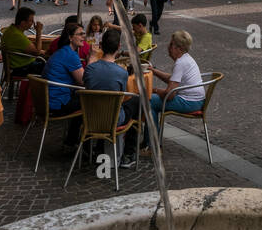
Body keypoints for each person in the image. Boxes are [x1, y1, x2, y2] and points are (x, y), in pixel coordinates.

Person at [83, 28, 140, 167]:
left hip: (91, 117)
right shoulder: (121, 72)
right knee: (137, 102)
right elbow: (122, 98)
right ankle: (128, 152)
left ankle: (97, 148)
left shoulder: (90, 69)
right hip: (113, 118)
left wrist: (91, 56)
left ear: (101, 45)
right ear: (118, 47)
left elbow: (86, 83)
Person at [144, 31, 205, 150]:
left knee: (149, 101)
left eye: (171, 45)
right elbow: (173, 80)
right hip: (197, 100)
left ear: (179, 48)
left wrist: (153, 90)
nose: (168, 47)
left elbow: (170, 95)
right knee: (151, 99)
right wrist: (153, 71)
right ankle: (150, 142)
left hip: (190, 103)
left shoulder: (181, 63)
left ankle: (152, 146)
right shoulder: (186, 59)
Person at [43, 23, 86, 142]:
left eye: (84, 34)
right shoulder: (70, 54)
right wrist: (92, 58)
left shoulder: (63, 51)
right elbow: (84, 81)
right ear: (70, 37)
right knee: (91, 101)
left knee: (83, 96)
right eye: (80, 34)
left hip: (46, 100)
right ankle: (80, 142)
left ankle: (72, 141)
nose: (83, 36)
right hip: (57, 103)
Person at [0, 7, 46, 78]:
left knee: (45, 57)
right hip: (20, 68)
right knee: (51, 66)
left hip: (19, 63)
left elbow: (30, 49)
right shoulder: (16, 35)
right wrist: (39, 31)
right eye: (31, 20)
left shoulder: (12, 29)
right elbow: (37, 51)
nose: (33, 23)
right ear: (23, 22)